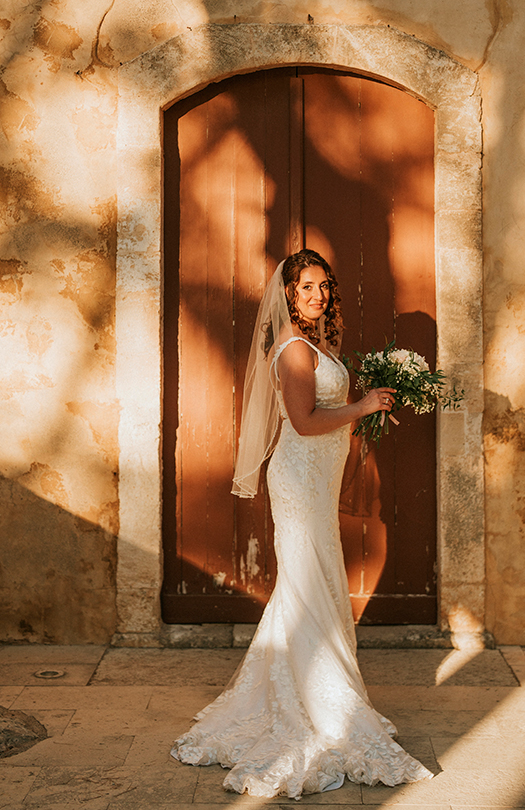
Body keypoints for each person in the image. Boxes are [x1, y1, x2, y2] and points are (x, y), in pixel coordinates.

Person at [171, 249, 433, 798]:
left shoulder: (317, 344)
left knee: (312, 584)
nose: (318, 295)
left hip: (318, 479)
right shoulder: (293, 349)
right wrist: (362, 407)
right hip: (298, 480)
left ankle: (318, 693)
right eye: (306, 287)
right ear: (288, 294)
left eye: (323, 286)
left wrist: (366, 412)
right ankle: (321, 707)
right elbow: (305, 422)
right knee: (308, 584)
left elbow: (328, 418)